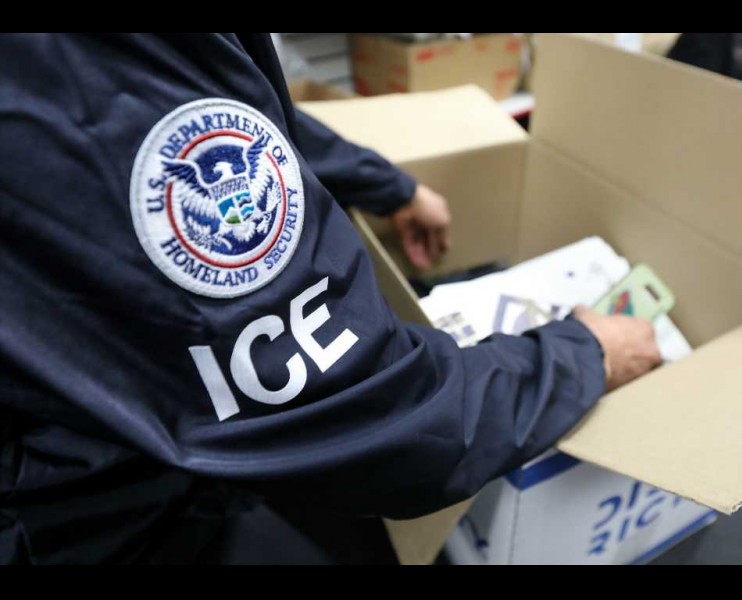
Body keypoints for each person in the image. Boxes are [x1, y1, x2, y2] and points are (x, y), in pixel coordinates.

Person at [0, 33, 662, 565]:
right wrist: (584, 355)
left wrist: (384, 184)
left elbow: (208, 95)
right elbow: (375, 416)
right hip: (88, 519)